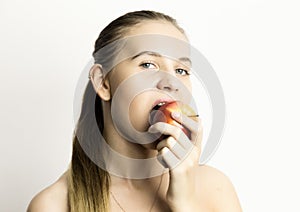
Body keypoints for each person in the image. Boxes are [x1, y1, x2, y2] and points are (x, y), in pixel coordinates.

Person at [27, 10, 242, 212]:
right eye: (148, 64)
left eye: (181, 70)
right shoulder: (53, 205)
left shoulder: (214, 188)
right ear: (103, 82)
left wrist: (184, 202)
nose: (171, 82)